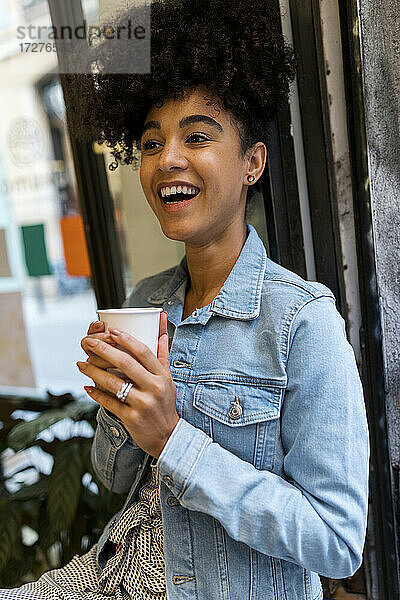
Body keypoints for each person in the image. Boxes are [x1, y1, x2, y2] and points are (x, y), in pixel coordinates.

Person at [1, 0, 369, 598]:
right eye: (151, 143)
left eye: (197, 136)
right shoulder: (148, 299)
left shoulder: (302, 323)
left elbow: (337, 540)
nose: (167, 158)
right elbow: (114, 476)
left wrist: (173, 438)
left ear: (252, 162)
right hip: (111, 578)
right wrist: (120, 403)